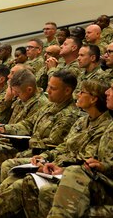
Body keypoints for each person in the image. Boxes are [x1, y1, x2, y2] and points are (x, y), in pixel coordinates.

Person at [21, 79, 112, 218]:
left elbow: (86, 158)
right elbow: (64, 146)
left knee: (71, 174)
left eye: (82, 92)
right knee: (24, 176)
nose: (107, 93)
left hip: (96, 181)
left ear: (93, 99)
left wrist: (59, 166)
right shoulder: (82, 121)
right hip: (75, 169)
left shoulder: (105, 124)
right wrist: (46, 158)